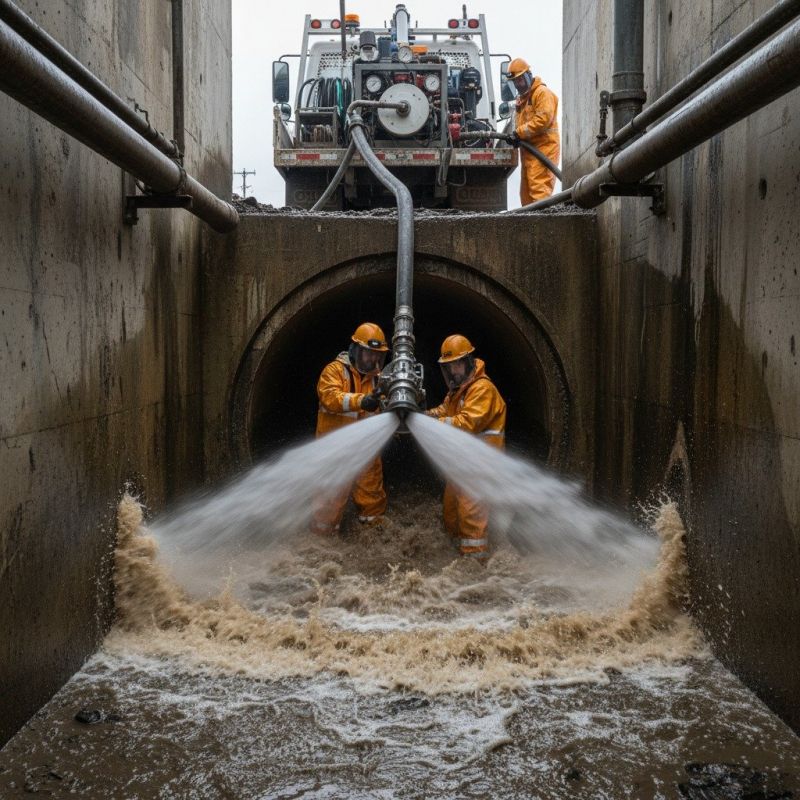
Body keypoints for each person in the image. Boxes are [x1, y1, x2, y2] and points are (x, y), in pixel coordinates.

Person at [425, 334, 506, 560]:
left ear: (469, 361)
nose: (454, 371)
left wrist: (431, 423)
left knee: (471, 518)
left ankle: (473, 567)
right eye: (449, 367)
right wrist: (422, 415)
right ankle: (456, 557)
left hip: (480, 468)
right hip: (463, 466)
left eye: (457, 364)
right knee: (452, 515)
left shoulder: (482, 389)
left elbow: (466, 423)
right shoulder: (459, 391)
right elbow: (444, 411)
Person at [310, 322, 389, 535]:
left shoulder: (379, 381)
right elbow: (330, 398)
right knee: (328, 505)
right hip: (334, 452)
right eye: (368, 353)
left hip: (366, 453)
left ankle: (372, 544)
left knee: (372, 501)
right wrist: (362, 401)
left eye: (377, 355)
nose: (373, 359)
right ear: (355, 350)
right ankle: (319, 550)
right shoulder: (334, 371)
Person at [506, 57, 560, 206]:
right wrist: (516, 136)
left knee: (539, 190)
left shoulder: (542, 93)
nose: (518, 85)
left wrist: (519, 133)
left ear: (528, 75)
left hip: (544, 150)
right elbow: (522, 125)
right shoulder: (523, 100)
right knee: (526, 195)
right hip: (529, 152)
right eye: (515, 82)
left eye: (520, 80)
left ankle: (542, 224)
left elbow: (543, 120)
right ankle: (530, 224)